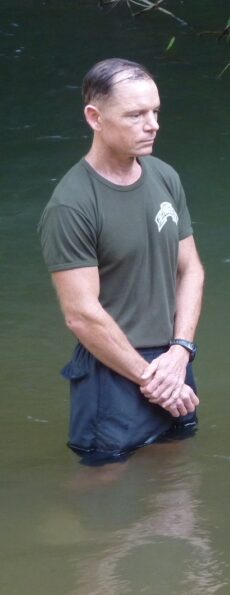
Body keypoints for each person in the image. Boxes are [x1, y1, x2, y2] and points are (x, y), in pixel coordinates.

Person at [38, 58, 204, 466]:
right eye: (135, 115)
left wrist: (180, 351)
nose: (153, 125)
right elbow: (81, 314)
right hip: (111, 371)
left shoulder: (164, 176)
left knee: (175, 466)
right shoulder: (72, 205)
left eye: (155, 112)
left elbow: (191, 269)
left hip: (171, 361)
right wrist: (152, 379)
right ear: (94, 117)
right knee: (102, 486)